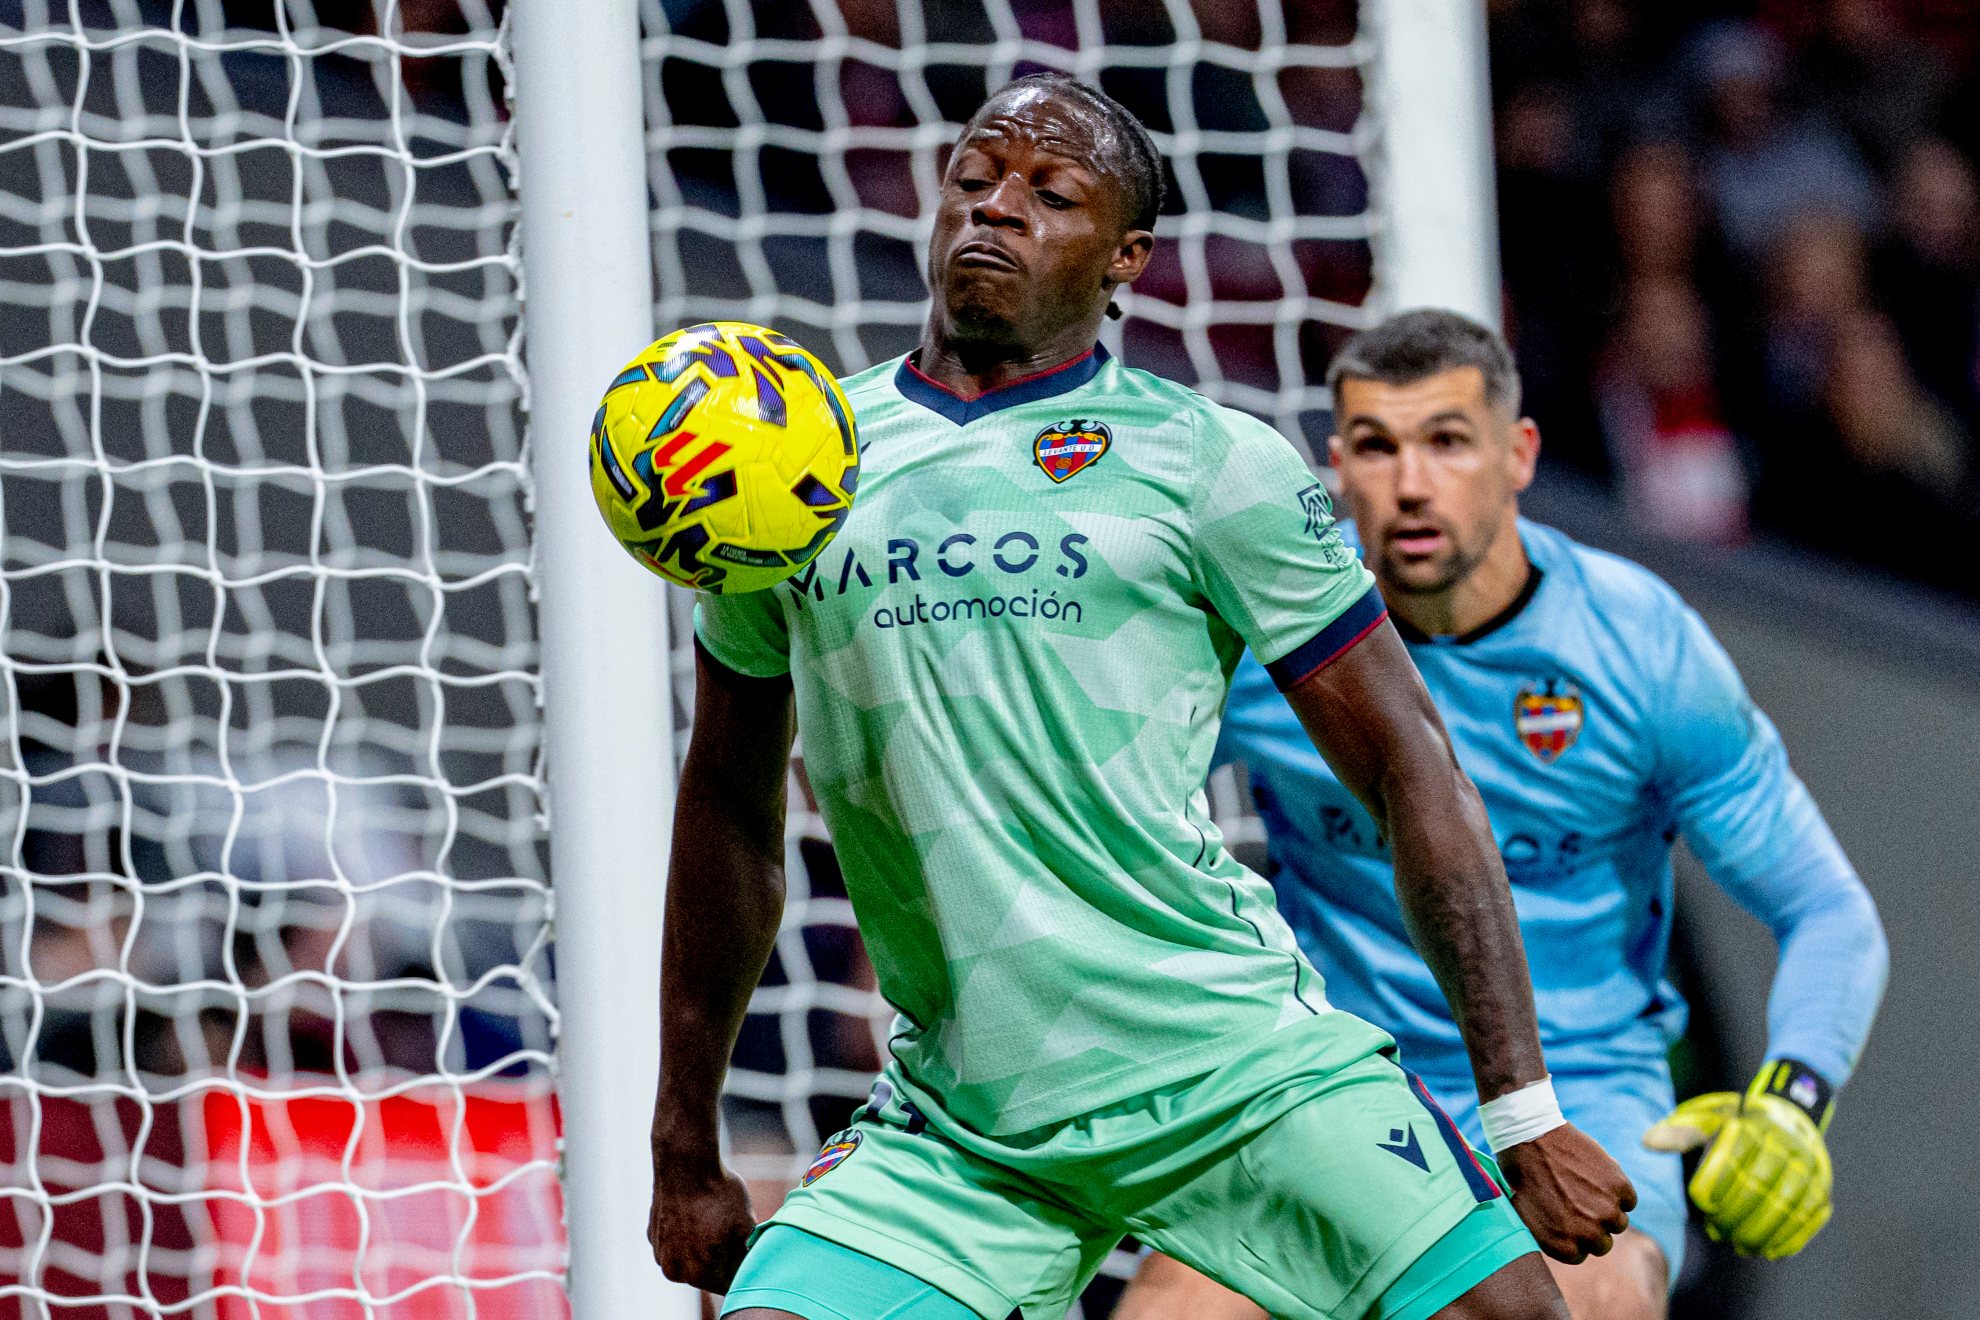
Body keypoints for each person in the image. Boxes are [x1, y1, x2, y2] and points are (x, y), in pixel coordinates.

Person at [647, 77, 1633, 1320]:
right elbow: (728, 809)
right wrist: (682, 1136)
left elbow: (1410, 768)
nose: (996, 208)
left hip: (1233, 1067)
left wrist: (1522, 1107)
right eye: (973, 180)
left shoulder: (1213, 463)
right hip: (967, 1116)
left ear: (1126, 257)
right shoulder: (795, 468)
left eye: (1050, 193)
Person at [1120, 311, 1888, 1320]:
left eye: (1447, 441)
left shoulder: (1639, 646)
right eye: (1379, 448)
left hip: (1584, 1089)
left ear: (1519, 455)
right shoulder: (1272, 630)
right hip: (1333, 1083)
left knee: (1602, 1299)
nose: (1412, 483)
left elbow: (1827, 910)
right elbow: (1108, 807)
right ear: (1338, 469)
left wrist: (1793, 1100)